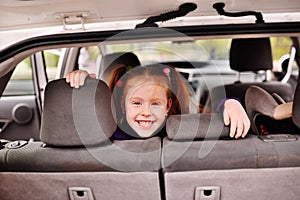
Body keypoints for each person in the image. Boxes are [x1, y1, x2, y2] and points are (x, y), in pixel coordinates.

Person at [66, 64, 250, 139]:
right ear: (123, 103)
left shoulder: (181, 132)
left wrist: (231, 103)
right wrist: (84, 87)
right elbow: (82, 121)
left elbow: (209, 119)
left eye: (155, 104)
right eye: (136, 103)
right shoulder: (109, 134)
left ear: (168, 106)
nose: (146, 111)